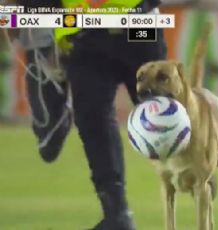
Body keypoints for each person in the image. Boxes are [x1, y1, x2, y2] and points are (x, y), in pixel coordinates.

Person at [6, 0, 166, 229]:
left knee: (160, 115)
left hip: (138, 24)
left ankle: (200, 171)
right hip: (86, 34)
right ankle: (116, 214)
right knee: (93, 118)